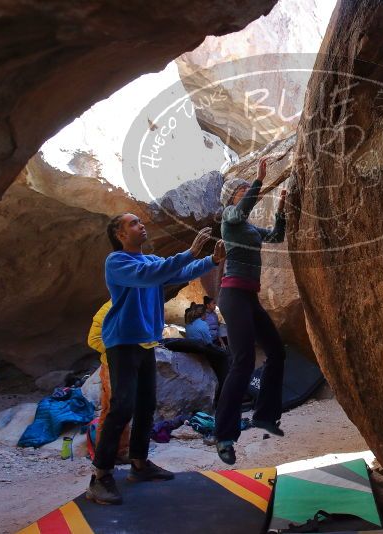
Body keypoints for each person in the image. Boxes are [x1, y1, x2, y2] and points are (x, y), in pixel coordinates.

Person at [87, 215, 225, 506]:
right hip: (122, 342)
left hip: (145, 341)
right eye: (134, 223)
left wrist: (211, 260)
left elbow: (175, 273)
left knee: (147, 405)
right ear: (119, 233)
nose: (142, 226)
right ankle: (100, 476)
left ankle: (139, 464)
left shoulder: (149, 259)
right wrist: (190, 252)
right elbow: (151, 275)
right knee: (122, 406)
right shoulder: (117, 262)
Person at [214, 158, 287, 465]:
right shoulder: (229, 218)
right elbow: (242, 209)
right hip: (232, 296)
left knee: (277, 352)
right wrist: (258, 180)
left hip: (249, 298)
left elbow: (275, 237)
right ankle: (224, 436)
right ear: (232, 196)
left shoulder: (249, 229)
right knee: (242, 361)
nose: (246, 193)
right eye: (241, 190)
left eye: (247, 189)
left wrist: (281, 210)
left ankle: (265, 416)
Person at [87, 300, 130, 463]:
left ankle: (121, 450)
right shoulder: (108, 309)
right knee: (113, 409)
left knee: (124, 409)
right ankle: (105, 453)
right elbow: (94, 339)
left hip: (127, 367)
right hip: (112, 366)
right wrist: (119, 351)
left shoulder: (133, 307)